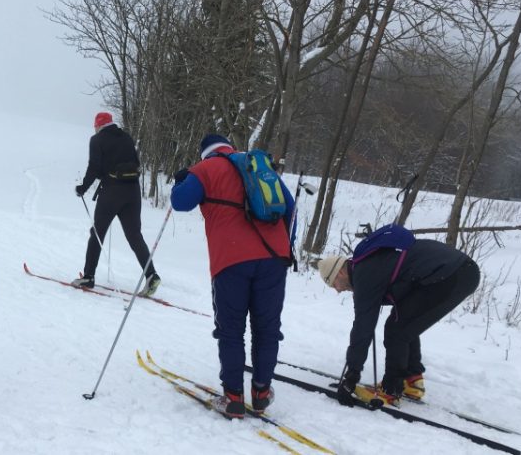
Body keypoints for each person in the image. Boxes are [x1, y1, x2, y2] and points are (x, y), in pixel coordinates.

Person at [170, 134, 294, 419]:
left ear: (205, 154)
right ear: (229, 148)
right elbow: (289, 205)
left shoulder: (205, 170)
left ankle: (233, 398)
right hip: (274, 259)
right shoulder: (258, 166)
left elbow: (180, 202)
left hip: (231, 261)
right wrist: (285, 246)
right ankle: (262, 392)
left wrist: (181, 179)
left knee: (231, 329)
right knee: (267, 327)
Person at [318, 228, 481, 407]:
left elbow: (363, 327)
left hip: (452, 274)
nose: (338, 290)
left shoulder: (364, 273)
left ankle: (391, 389)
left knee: (397, 330)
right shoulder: (368, 265)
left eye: (333, 284)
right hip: (457, 271)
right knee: (402, 321)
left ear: (340, 273)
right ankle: (412, 381)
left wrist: (352, 375)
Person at [73, 112, 161, 296]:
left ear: (98, 125)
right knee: (134, 235)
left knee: (97, 233)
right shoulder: (126, 137)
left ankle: (88, 276)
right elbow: (136, 162)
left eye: (95, 126)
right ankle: (151, 275)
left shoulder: (97, 140)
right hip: (133, 191)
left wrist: (83, 187)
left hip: (112, 191)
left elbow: (94, 166)